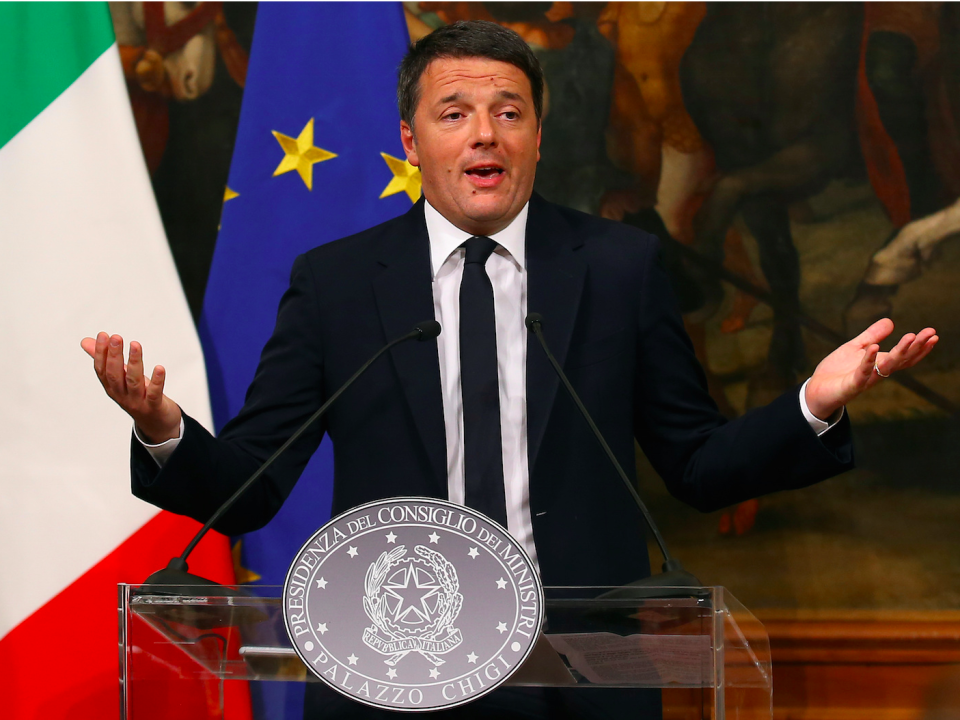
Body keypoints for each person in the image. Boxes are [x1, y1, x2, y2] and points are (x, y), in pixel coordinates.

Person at [82, 20, 938, 719]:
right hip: (391, 669)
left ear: (537, 135)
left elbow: (699, 465)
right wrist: (162, 431)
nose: (484, 133)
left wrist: (811, 405)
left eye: (509, 111)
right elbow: (254, 483)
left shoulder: (617, 267)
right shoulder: (338, 283)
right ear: (412, 140)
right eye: (454, 113)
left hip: (583, 671)